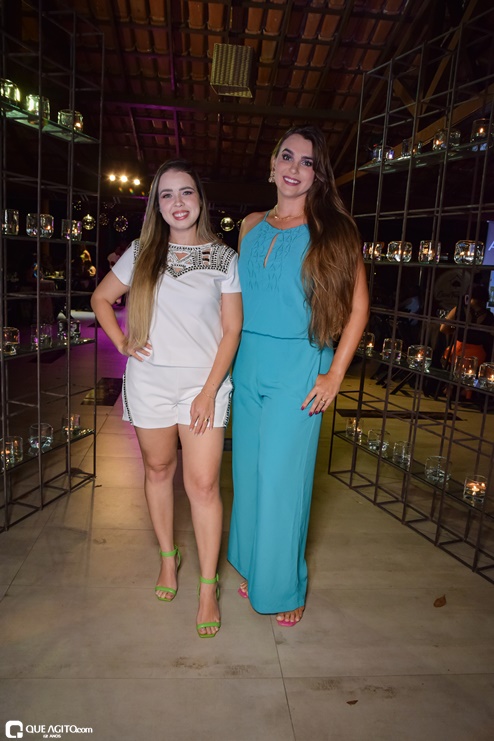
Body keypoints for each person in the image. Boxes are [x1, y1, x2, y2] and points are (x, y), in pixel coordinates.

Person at [91, 159, 243, 637]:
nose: (178, 202)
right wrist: (123, 342)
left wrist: (208, 391)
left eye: (186, 192)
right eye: (167, 194)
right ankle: (167, 558)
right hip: (149, 383)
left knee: (203, 486)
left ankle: (207, 587)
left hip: (204, 387)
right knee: (158, 470)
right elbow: (100, 299)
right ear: (157, 205)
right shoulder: (141, 252)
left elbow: (232, 330)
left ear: (200, 200)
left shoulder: (224, 258)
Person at [227, 125, 369, 626]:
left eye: (306, 162)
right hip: (248, 363)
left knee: (282, 482)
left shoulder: (335, 231)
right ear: (272, 164)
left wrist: (334, 375)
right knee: (248, 474)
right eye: (287, 156)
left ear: (317, 175)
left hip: (301, 367)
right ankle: (256, 566)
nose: (294, 167)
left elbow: (358, 308)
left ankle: (285, 586)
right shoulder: (249, 225)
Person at [440, 284, 494, 395]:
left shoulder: (459, 310)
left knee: (448, 355)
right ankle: (468, 389)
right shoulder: (489, 316)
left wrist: (456, 331)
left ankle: (451, 386)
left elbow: (443, 328)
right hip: (478, 355)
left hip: (458, 351)